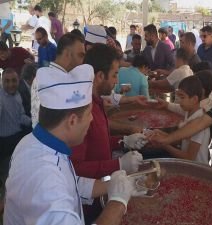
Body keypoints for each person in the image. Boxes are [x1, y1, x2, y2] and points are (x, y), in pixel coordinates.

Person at [4, 63, 144, 225]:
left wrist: (111, 185)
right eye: (88, 115)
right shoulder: (45, 181)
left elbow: (71, 182)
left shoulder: (35, 142)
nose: (92, 119)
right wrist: (118, 202)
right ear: (72, 121)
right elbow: (57, 186)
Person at [71, 44, 147, 223]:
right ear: (99, 76)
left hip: (103, 188)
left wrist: (124, 141)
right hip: (86, 201)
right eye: (114, 74)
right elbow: (76, 169)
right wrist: (118, 164)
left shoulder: (97, 102)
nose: (116, 81)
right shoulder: (83, 111)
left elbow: (100, 140)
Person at [31, 33, 86, 127]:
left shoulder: (64, 77)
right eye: (80, 55)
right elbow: (43, 123)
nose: (83, 61)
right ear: (67, 54)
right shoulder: (48, 81)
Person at [151, 76, 210, 163]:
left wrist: (164, 144)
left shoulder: (198, 123)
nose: (179, 101)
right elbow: (181, 140)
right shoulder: (188, 112)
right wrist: (161, 134)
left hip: (197, 169)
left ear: (194, 99)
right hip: (188, 165)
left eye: (182, 97)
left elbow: (189, 158)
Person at [0, 68, 31, 194]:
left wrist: (35, 121)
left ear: (19, 81)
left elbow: (20, 117)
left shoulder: (18, 95)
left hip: (18, 141)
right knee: (10, 181)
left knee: (21, 176)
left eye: (14, 81)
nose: (10, 84)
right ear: (2, 82)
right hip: (5, 145)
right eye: (6, 81)